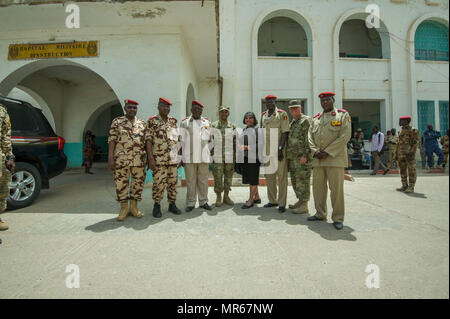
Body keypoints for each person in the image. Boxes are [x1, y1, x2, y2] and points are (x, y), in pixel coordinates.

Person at [307, 92, 351, 230]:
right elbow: (309, 137)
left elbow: (345, 136)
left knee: (336, 190)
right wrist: (315, 151)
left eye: (328, 100)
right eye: (323, 100)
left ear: (333, 100)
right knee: (318, 189)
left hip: (334, 158)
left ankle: (338, 217)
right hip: (318, 160)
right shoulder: (316, 119)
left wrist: (327, 152)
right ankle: (320, 213)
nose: (325, 102)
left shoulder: (342, 115)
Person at [108, 99, 146, 221]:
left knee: (137, 184)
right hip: (121, 160)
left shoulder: (142, 123)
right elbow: (112, 140)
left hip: (138, 160)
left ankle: (134, 208)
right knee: (121, 184)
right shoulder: (117, 122)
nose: (132, 109)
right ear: (125, 108)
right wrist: (110, 158)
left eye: (134, 108)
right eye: (130, 107)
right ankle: (124, 208)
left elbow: (145, 142)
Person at [146, 97, 182, 218]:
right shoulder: (152, 121)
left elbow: (177, 140)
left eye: (168, 107)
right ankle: (157, 205)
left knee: (173, 183)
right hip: (159, 160)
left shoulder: (173, 121)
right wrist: (150, 158)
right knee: (159, 183)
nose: (166, 108)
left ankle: (172, 204)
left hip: (172, 159)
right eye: (163, 106)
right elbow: (148, 140)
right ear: (158, 107)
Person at [180, 100, 212, 212]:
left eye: (199, 109)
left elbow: (210, 139)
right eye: (195, 108)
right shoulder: (185, 122)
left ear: (202, 110)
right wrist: (181, 158)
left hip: (203, 156)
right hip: (189, 156)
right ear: (191, 110)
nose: (197, 110)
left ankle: (203, 201)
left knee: (203, 180)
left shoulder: (207, 122)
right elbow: (181, 141)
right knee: (190, 180)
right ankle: (190, 202)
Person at [260, 94, 290, 213]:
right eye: (267, 102)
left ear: (275, 102)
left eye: (271, 102)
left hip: (279, 152)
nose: (269, 104)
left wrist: (280, 148)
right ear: (265, 103)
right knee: (270, 177)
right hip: (267, 152)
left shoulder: (282, 114)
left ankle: (282, 203)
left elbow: (285, 132)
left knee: (282, 178)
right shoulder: (263, 115)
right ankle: (273, 200)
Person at [286, 100, 312, 214]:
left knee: (303, 180)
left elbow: (309, 139)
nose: (294, 110)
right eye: (292, 109)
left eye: (296, 108)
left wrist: (306, 155)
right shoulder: (293, 122)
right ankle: (300, 201)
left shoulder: (306, 120)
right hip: (293, 157)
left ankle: (305, 205)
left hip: (302, 157)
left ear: (300, 108)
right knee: (295, 180)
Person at [211, 106, 236, 207]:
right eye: (222, 112)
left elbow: (235, 141)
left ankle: (226, 196)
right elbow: (209, 140)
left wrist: (235, 155)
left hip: (229, 156)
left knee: (228, 177)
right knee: (218, 176)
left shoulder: (232, 126)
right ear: (219, 113)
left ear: (228, 114)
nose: (224, 114)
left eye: (226, 112)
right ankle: (218, 197)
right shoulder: (213, 126)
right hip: (217, 156)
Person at [239, 112, 263, 209]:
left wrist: (246, 147)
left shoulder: (258, 130)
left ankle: (250, 200)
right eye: (246, 118)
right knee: (250, 178)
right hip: (246, 158)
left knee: (253, 179)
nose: (248, 120)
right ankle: (257, 197)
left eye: (250, 118)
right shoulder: (245, 130)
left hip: (254, 158)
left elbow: (260, 145)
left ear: (254, 119)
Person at [0, 103, 15, 231]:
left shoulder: (2, 110)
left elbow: (6, 135)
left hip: (1, 157)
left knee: (3, 188)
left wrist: (10, 157)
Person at [396, 116, 419, 193]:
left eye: (401, 120)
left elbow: (415, 142)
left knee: (411, 170)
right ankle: (404, 185)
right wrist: (396, 154)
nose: (400, 122)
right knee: (402, 170)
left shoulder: (413, 130)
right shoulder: (401, 130)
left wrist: (412, 152)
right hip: (401, 154)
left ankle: (411, 186)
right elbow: (398, 143)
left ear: (406, 121)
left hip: (409, 154)